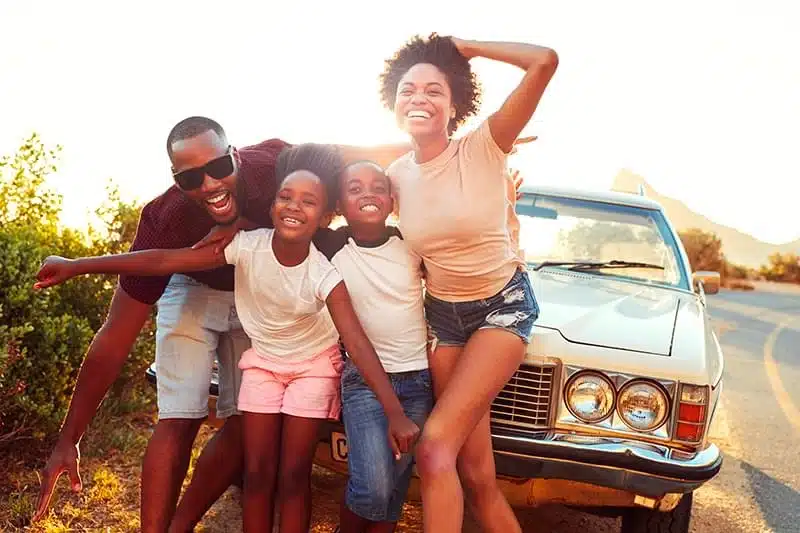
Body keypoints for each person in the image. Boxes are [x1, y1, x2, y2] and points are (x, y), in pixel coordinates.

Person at [31, 116, 412, 532]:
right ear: (176, 180)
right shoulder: (166, 218)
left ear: (235, 156)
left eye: (217, 168)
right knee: (180, 415)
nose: (210, 184)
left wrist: (428, 149)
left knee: (246, 422)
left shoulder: (277, 167)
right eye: (192, 177)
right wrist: (70, 437)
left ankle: (182, 523)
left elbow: (348, 155)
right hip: (193, 278)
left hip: (261, 291)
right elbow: (117, 334)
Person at [379, 34, 558, 533]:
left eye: (434, 90)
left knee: (435, 446)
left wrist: (469, 48)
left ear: (455, 102)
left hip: (502, 308)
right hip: (443, 319)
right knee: (477, 474)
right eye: (408, 90)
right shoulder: (395, 176)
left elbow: (544, 61)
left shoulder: (485, 145)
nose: (419, 98)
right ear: (393, 102)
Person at [317, 161, 432, 533]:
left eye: (377, 186)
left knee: (395, 486)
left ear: (392, 199)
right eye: (354, 188)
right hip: (364, 383)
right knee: (372, 488)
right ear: (338, 205)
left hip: (418, 381)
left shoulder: (411, 243)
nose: (368, 193)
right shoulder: (332, 245)